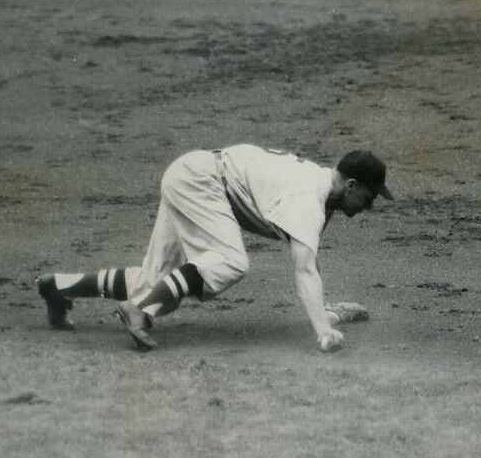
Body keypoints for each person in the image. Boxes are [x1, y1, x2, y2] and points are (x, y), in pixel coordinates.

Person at [35, 145, 392, 352]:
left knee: (155, 278)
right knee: (231, 262)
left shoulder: (319, 191)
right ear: (350, 184)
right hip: (203, 180)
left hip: (193, 172)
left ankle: (60, 285)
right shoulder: (308, 199)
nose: (369, 205)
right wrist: (323, 331)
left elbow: (308, 262)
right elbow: (304, 270)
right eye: (369, 196)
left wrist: (326, 311)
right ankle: (140, 309)